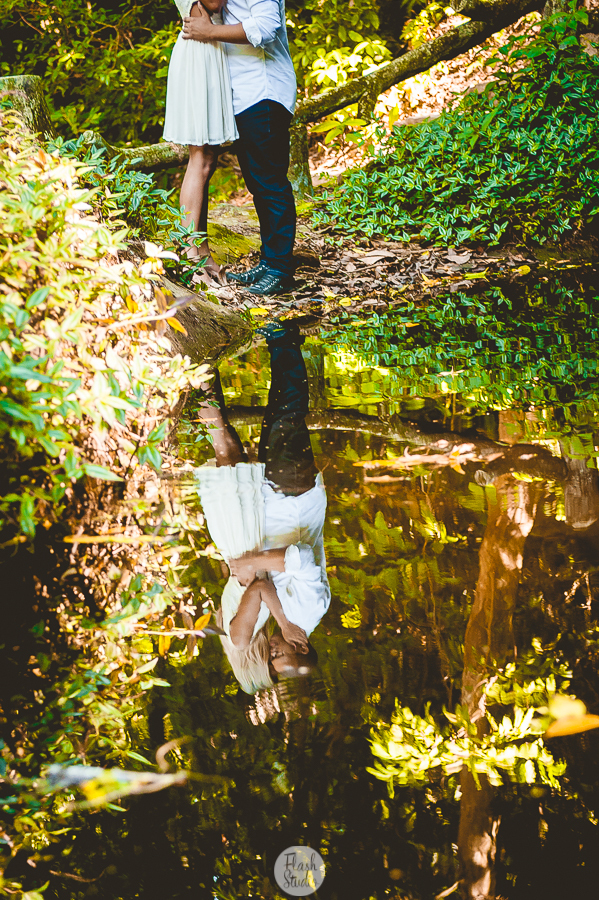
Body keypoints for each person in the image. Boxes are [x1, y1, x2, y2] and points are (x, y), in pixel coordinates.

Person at [195, 322, 330, 692]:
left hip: (270, 504)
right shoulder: (311, 609)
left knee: (270, 421)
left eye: (270, 658)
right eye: (281, 655)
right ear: (301, 646)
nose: (272, 651)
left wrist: (256, 574)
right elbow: (300, 557)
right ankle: (282, 333)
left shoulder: (282, 621)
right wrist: (254, 564)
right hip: (295, 496)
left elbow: (257, 587)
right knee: (286, 414)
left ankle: (207, 354)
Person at [182, 0, 297, 296]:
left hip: (265, 92)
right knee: (258, 181)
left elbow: (265, 27)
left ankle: (280, 269)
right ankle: (270, 259)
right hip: (245, 96)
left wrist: (209, 31)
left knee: (270, 182)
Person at [163, 0, 238, 282]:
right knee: (200, 159)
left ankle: (202, 249)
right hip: (199, 55)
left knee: (209, 158)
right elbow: (214, 3)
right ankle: (188, 254)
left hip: (209, 52)